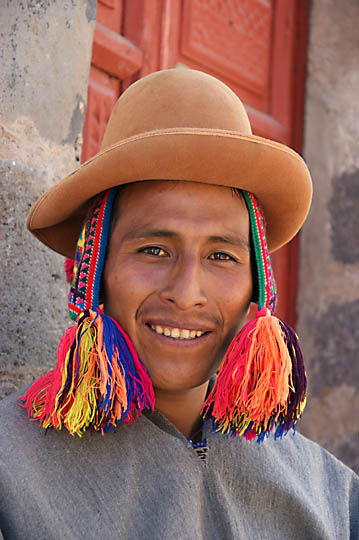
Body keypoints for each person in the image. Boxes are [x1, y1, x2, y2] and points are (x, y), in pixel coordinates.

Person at [0, 69, 357, 540]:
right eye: (153, 250)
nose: (186, 292)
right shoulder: (11, 472)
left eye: (222, 256)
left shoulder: (334, 500)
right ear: (93, 269)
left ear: (258, 288)